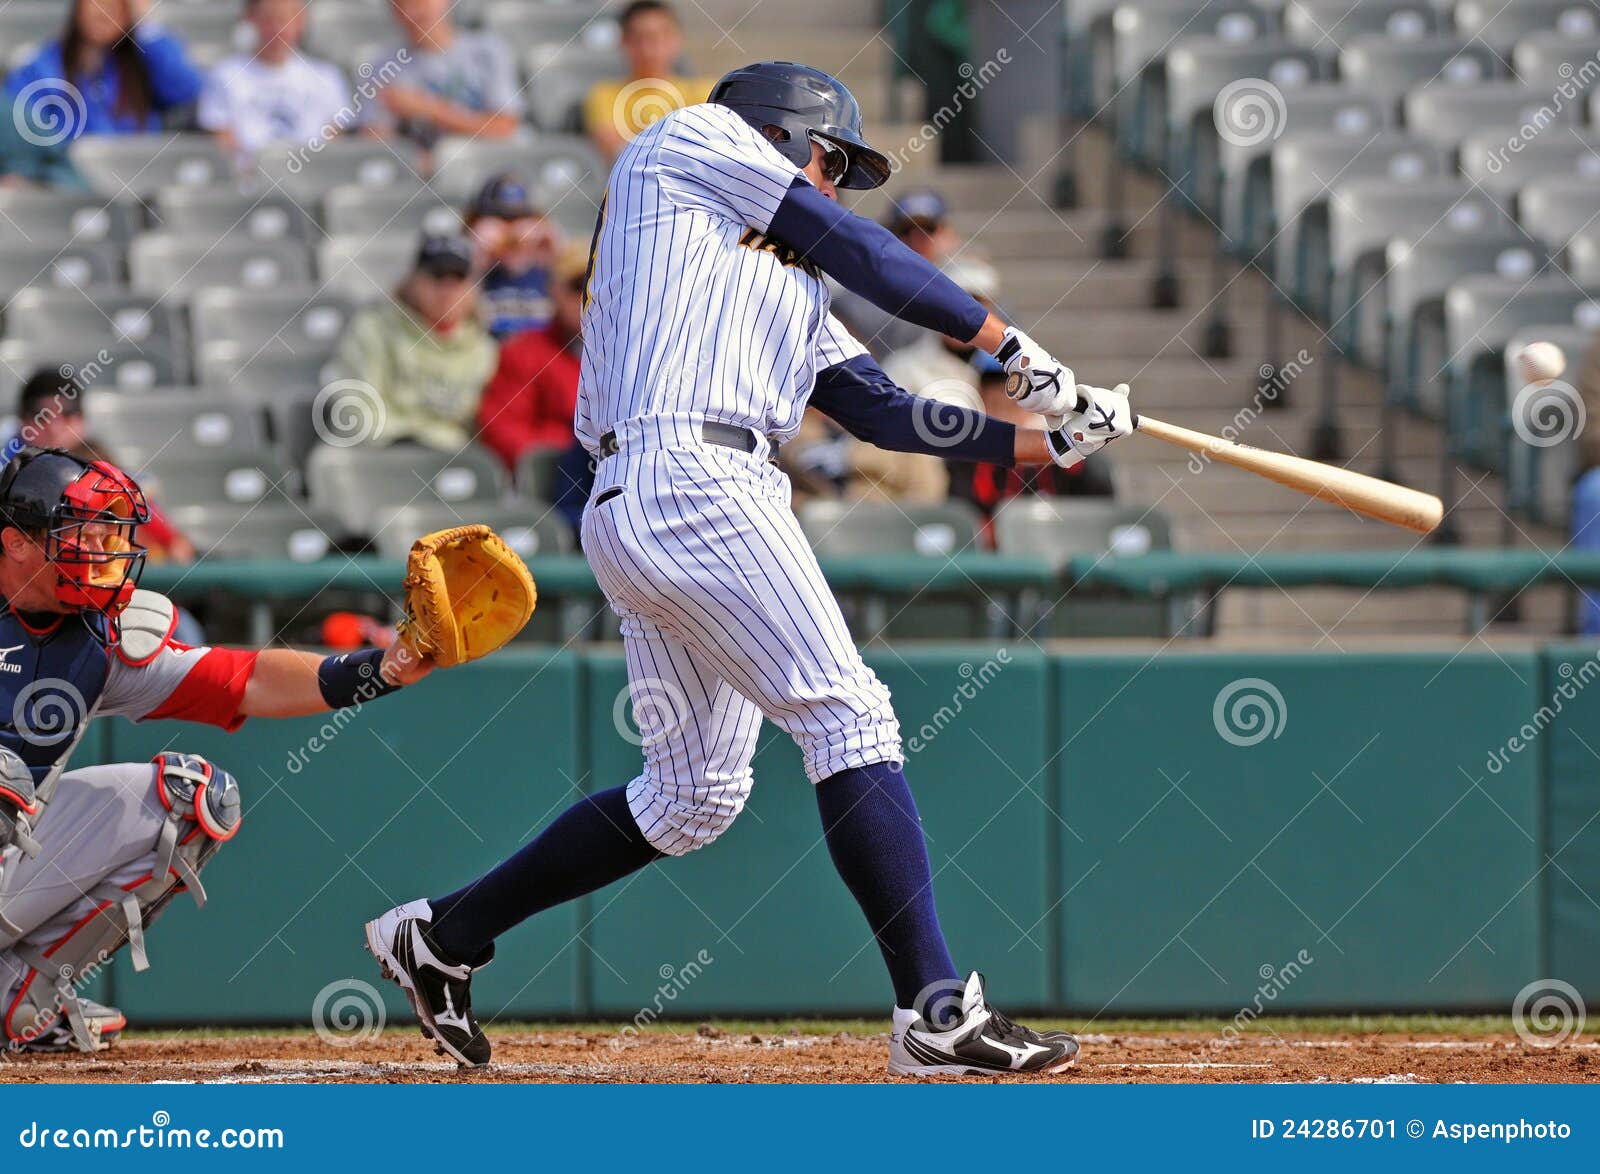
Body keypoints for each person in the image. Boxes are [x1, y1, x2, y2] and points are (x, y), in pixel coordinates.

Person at [364, 62, 1135, 1075]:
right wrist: (1006, 342)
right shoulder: (691, 140)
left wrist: (1045, 443)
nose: (833, 182)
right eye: (829, 160)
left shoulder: (784, 276)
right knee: (849, 717)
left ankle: (443, 934)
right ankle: (935, 1010)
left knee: (691, 798)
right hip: (690, 474)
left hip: (666, 495)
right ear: (780, 131)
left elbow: (881, 411)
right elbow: (863, 248)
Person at [0, 446, 443, 1053]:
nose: (101, 552)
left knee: (191, 798)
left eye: (104, 534)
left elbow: (247, 679)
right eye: (80, 534)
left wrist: (381, 668)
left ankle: (20, 993)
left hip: (11, 856)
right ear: (16, 542)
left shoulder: (96, 641)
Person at [329, 234, 497, 452]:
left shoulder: (485, 349)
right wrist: (421, 441)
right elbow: (355, 411)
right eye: (437, 277)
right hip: (383, 455)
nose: (446, 290)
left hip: (455, 460)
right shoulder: (374, 331)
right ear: (413, 280)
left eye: (457, 279)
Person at [4, 0, 203, 139]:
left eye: (119, 4)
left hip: (138, 177)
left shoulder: (145, 62)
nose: (105, 11)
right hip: (70, 182)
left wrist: (146, 25)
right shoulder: (42, 67)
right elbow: (18, 128)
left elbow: (185, 91)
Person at [197, 0, 351, 165]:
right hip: (248, 176)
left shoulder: (327, 77)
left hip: (313, 174)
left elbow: (335, 143)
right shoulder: (225, 75)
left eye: (285, 19)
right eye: (268, 19)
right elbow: (223, 143)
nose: (277, 29)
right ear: (250, 19)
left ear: (301, 21)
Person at [477, 245, 586, 471]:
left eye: (600, 287)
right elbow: (503, 429)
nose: (589, 297)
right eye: (579, 286)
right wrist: (563, 458)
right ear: (554, 290)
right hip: (555, 478)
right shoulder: (524, 352)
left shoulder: (634, 354)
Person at [368, 0, 522, 151]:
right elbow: (375, 140)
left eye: (420, 2)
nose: (411, 12)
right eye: (401, 5)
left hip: (487, 159)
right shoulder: (384, 65)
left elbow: (505, 128)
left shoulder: (489, 51)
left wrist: (427, 108)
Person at [830, 189, 964, 360]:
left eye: (928, 229)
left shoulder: (973, 289)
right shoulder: (852, 301)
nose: (917, 240)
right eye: (906, 230)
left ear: (948, 235)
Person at [583, 1, 716, 159]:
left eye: (656, 38)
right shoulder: (605, 95)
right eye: (638, 39)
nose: (648, 50)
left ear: (676, 39)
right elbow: (616, 149)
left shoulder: (706, 92)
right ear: (624, 42)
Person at [465, 173, 561, 341]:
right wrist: (475, 257)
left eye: (520, 219)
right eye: (499, 220)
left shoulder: (549, 266)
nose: (511, 232)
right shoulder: (466, 268)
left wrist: (554, 253)